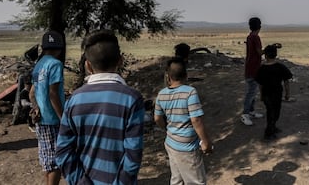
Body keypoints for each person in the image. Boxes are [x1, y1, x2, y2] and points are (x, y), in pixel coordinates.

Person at [56, 30, 145, 184]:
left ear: (88, 65)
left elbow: (63, 150)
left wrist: (80, 181)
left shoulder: (74, 100)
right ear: (121, 61)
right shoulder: (132, 99)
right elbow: (133, 153)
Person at [155, 57, 213, 185]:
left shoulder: (161, 94)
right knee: (196, 181)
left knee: (177, 179)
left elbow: (157, 118)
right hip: (187, 147)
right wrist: (206, 141)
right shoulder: (190, 92)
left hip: (170, 142)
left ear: (168, 76)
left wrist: (166, 129)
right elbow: (196, 120)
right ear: (186, 75)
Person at [30, 31, 65, 185]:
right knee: (57, 164)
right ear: (59, 48)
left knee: (48, 162)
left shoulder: (39, 64)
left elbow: (32, 93)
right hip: (53, 120)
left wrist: (36, 108)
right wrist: (63, 118)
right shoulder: (56, 64)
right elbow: (53, 94)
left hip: (42, 120)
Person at [256, 44, 293, 140]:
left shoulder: (261, 69)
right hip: (276, 94)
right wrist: (287, 94)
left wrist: (261, 95)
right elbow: (286, 82)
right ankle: (268, 133)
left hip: (267, 94)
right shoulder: (281, 67)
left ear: (265, 55)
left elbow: (260, 84)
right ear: (276, 55)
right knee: (273, 113)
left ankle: (273, 127)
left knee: (273, 112)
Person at [241, 17, 264, 126]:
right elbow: (259, 52)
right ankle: (245, 114)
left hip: (250, 67)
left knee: (253, 91)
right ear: (260, 26)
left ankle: (251, 111)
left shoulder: (250, 36)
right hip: (254, 68)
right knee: (251, 93)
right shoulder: (256, 37)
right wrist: (270, 49)